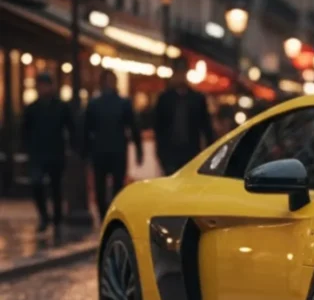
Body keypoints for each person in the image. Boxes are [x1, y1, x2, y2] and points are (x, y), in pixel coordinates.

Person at [83, 69, 142, 219]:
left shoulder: (96, 104)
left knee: (107, 186)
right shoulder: (120, 103)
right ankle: (109, 215)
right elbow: (133, 127)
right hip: (112, 150)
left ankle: (107, 215)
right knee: (109, 187)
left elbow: (86, 130)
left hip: (106, 150)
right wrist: (138, 149)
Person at [22, 73, 75, 233]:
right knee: (37, 185)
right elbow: (25, 131)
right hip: (38, 153)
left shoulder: (61, 107)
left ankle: (57, 219)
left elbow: (70, 128)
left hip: (55, 152)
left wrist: (71, 147)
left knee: (56, 187)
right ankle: (44, 217)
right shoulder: (32, 108)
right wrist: (28, 149)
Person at [153, 57, 214, 175]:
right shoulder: (164, 99)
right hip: (170, 154)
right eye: (178, 71)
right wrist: (161, 154)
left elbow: (206, 128)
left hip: (191, 154)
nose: (180, 75)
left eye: (182, 71)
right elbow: (158, 127)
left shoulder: (197, 98)